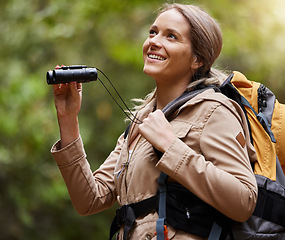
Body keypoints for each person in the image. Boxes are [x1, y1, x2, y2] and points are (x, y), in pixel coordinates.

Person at [50, 3, 258, 240]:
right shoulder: (141, 122)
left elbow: (244, 201)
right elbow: (89, 200)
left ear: (197, 59)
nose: (154, 41)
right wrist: (68, 119)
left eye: (171, 36)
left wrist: (171, 146)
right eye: (153, 32)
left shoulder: (214, 110)